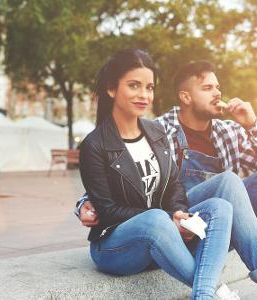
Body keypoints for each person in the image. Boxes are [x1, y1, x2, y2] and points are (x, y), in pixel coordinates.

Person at [77, 60, 257, 299]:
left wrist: (252, 125)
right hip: (178, 227)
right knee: (228, 181)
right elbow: (122, 179)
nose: (218, 93)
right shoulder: (160, 129)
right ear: (185, 96)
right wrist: (84, 204)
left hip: (217, 226)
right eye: (207, 88)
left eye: (218, 87)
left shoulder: (229, 131)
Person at [79, 49, 237, 300]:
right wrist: (165, 218)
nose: (144, 95)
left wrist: (176, 211)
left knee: (220, 207)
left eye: (149, 87)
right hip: (114, 247)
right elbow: (107, 211)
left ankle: (204, 295)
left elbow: (173, 184)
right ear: (112, 89)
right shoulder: (94, 145)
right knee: (155, 219)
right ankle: (214, 293)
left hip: (160, 239)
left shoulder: (156, 131)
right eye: (134, 86)